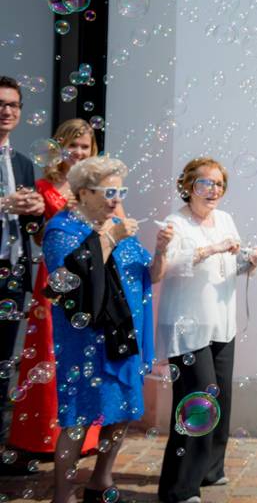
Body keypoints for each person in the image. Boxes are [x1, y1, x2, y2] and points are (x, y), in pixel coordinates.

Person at [44, 156, 171, 503]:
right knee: (78, 415)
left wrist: (160, 250)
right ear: (84, 192)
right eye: (109, 191)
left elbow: (152, 275)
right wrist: (110, 237)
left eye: (121, 191)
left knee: (122, 412)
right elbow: (66, 278)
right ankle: (63, 493)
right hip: (84, 338)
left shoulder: (118, 226)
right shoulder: (62, 229)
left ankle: (100, 478)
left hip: (122, 336)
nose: (117, 198)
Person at [156, 157, 257, 503]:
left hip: (221, 323)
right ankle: (178, 488)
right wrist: (211, 248)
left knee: (221, 399)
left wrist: (251, 261)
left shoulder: (225, 219)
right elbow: (166, 268)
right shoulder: (175, 223)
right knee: (197, 401)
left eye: (219, 184)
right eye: (205, 183)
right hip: (187, 326)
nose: (213, 190)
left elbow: (229, 264)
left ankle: (210, 469)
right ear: (188, 187)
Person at [9, 119, 101, 457]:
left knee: (85, 354)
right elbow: (35, 236)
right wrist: (54, 219)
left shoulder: (96, 186)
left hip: (89, 276)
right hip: (54, 277)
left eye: (84, 146)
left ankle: (84, 438)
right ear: (60, 148)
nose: (77, 152)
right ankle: (42, 437)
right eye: (72, 145)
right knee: (48, 352)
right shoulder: (43, 185)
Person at [0, 76, 45, 444]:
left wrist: (36, 209)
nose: (7, 110)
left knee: (3, 366)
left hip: (12, 276)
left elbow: (31, 225)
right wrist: (4, 204)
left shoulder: (23, 163)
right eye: (1, 103)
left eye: (13, 104)